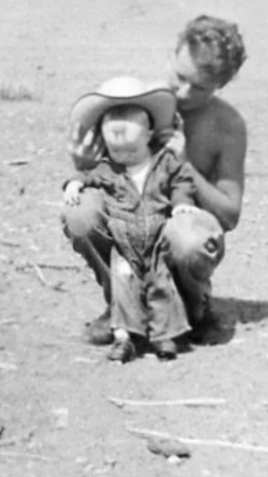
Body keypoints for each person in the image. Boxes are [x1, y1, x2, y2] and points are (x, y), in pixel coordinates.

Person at [62, 15, 248, 344]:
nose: (185, 92)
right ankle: (120, 304)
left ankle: (194, 310)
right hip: (130, 221)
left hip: (179, 224)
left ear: (221, 85)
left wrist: (185, 164)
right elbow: (105, 175)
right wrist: (83, 163)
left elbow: (229, 215)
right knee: (81, 213)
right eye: (180, 77)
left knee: (186, 240)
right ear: (171, 54)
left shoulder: (228, 125)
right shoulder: (134, 101)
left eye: (201, 87)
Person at [63, 79, 196, 362]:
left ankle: (165, 338)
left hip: (157, 240)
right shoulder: (109, 169)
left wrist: (182, 205)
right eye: (116, 152)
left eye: (131, 152)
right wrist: (74, 183)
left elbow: (181, 183)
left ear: (149, 135)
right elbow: (89, 175)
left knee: (162, 285)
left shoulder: (165, 163)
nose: (123, 157)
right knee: (123, 285)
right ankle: (124, 338)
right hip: (124, 245)